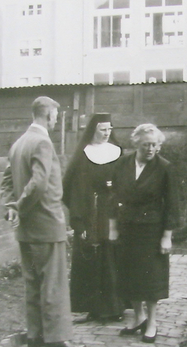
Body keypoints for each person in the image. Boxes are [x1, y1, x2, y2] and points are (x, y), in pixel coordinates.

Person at [0, 96, 86, 347]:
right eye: (56, 116)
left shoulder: (18, 144)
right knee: (54, 282)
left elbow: (6, 182)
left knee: (33, 281)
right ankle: (57, 338)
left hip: (26, 228)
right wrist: (19, 207)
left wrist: (11, 207)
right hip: (47, 223)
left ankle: (36, 335)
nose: (57, 120)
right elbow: (38, 183)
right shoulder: (42, 142)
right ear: (48, 115)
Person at [109, 123, 180, 343]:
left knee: (151, 278)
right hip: (127, 227)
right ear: (136, 144)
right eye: (146, 145)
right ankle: (138, 317)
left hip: (152, 229)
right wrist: (112, 227)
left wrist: (167, 235)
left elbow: (172, 204)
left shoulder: (165, 167)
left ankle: (151, 322)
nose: (150, 149)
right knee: (130, 275)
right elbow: (113, 196)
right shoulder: (122, 164)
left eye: (155, 145)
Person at [62, 113, 124, 324]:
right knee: (94, 256)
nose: (107, 133)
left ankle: (116, 306)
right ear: (93, 130)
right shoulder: (84, 155)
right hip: (92, 212)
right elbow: (74, 188)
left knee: (113, 255)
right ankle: (93, 308)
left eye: (109, 129)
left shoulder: (118, 152)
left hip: (115, 212)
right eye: (102, 129)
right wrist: (79, 221)